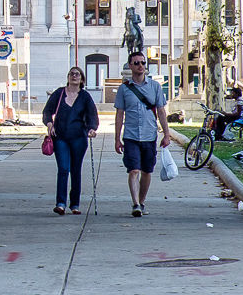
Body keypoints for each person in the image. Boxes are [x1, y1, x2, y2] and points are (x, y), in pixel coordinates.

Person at [113, 50, 171, 217]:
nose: (140, 66)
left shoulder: (155, 87)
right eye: (136, 63)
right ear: (130, 66)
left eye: (143, 63)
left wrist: (166, 134)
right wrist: (117, 139)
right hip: (131, 135)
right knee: (133, 170)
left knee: (147, 171)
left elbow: (161, 111)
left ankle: (142, 200)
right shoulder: (124, 89)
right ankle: (136, 204)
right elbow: (119, 115)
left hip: (149, 135)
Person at [42, 67, 100, 215]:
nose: (74, 76)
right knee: (63, 169)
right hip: (60, 137)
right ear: (68, 77)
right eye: (71, 74)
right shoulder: (59, 93)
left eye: (77, 74)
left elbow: (92, 116)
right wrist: (49, 124)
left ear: (82, 79)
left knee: (75, 170)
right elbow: (47, 111)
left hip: (79, 138)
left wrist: (92, 129)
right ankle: (60, 203)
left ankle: (75, 204)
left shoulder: (85, 97)